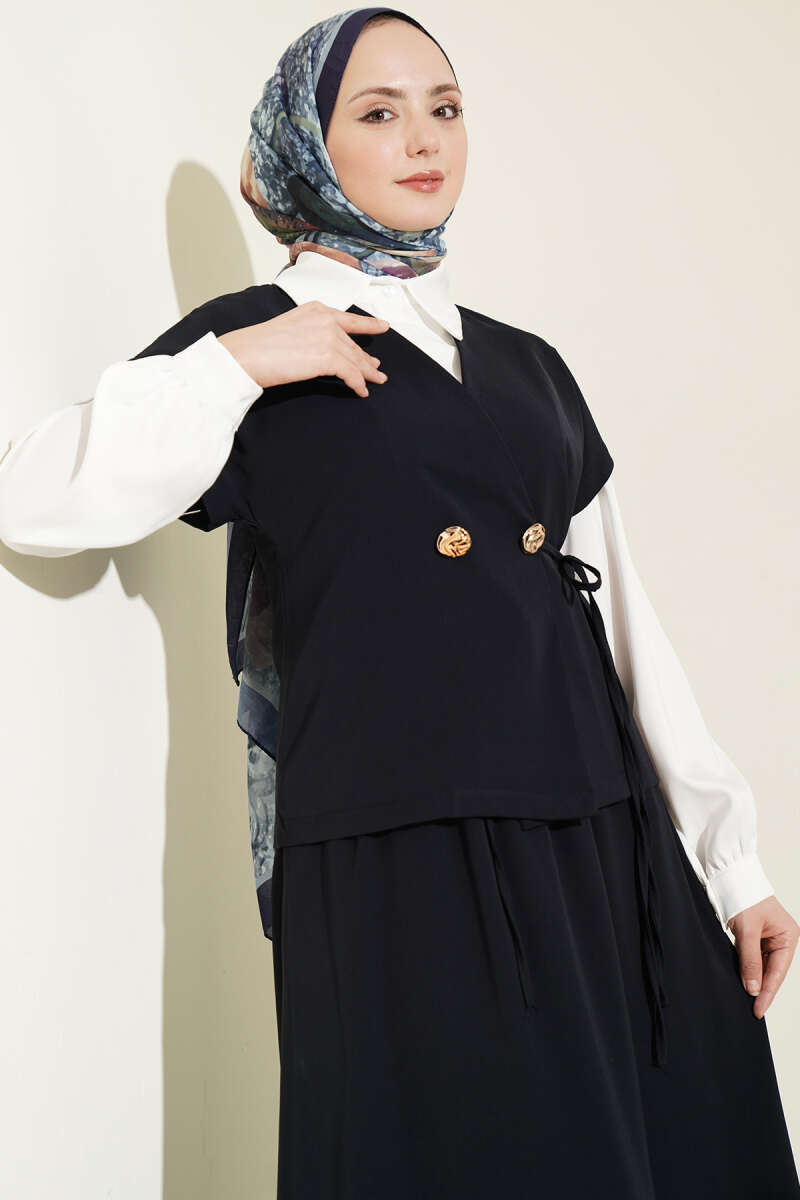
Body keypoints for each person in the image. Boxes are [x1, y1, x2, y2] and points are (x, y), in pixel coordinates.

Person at [1, 7, 799, 1197]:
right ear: (305, 145)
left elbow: (624, 625)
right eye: (377, 112)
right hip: (402, 851)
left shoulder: (526, 364)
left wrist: (728, 865)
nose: (424, 139)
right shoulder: (252, 341)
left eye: (444, 107)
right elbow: (33, 497)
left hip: (600, 834)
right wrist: (240, 366)